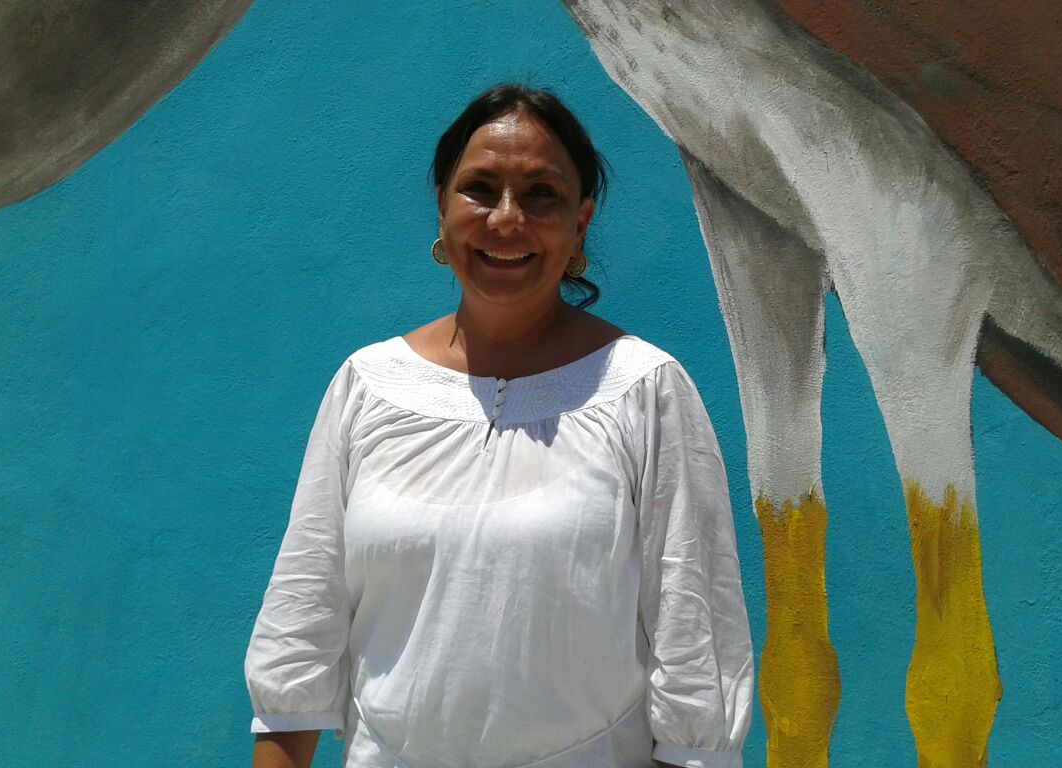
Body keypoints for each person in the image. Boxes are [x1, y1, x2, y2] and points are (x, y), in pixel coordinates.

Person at [245, 84, 754, 768]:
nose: (507, 219)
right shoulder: (367, 387)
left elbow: (696, 646)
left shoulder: (643, 391)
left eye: (541, 194)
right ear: (442, 208)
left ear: (580, 223)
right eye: (480, 190)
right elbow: (299, 637)